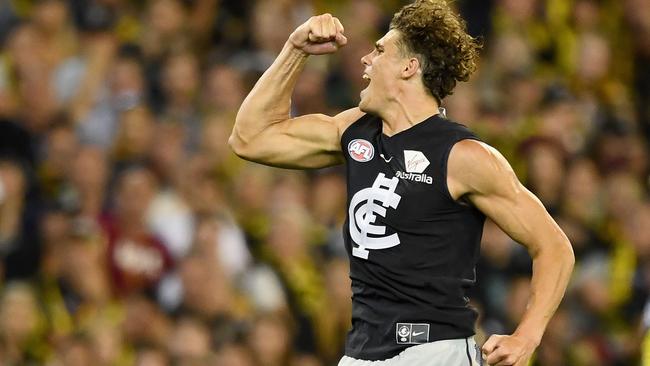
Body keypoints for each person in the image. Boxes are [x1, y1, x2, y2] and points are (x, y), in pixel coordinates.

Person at [229, 1, 575, 365]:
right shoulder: (355, 131)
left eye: (379, 50)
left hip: (435, 350)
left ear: (410, 67)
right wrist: (295, 50)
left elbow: (554, 247)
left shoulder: (463, 156)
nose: (365, 59)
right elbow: (249, 138)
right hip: (362, 351)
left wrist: (526, 336)